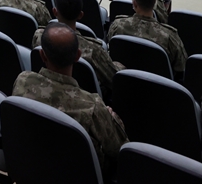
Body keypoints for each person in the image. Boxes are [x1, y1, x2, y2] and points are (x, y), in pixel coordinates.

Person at [12, 23, 128, 177]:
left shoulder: (22, 81)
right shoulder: (92, 106)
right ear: (78, 56)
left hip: (32, 169)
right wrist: (113, 118)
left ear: (42, 55)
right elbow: (119, 148)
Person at [32, 0, 123, 98]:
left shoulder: (39, 36)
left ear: (55, 11)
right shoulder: (94, 51)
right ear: (80, 15)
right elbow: (114, 81)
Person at [107, 0, 187, 75]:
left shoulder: (117, 26)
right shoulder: (169, 37)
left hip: (124, 83)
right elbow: (182, 68)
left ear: (134, 4)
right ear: (154, 3)